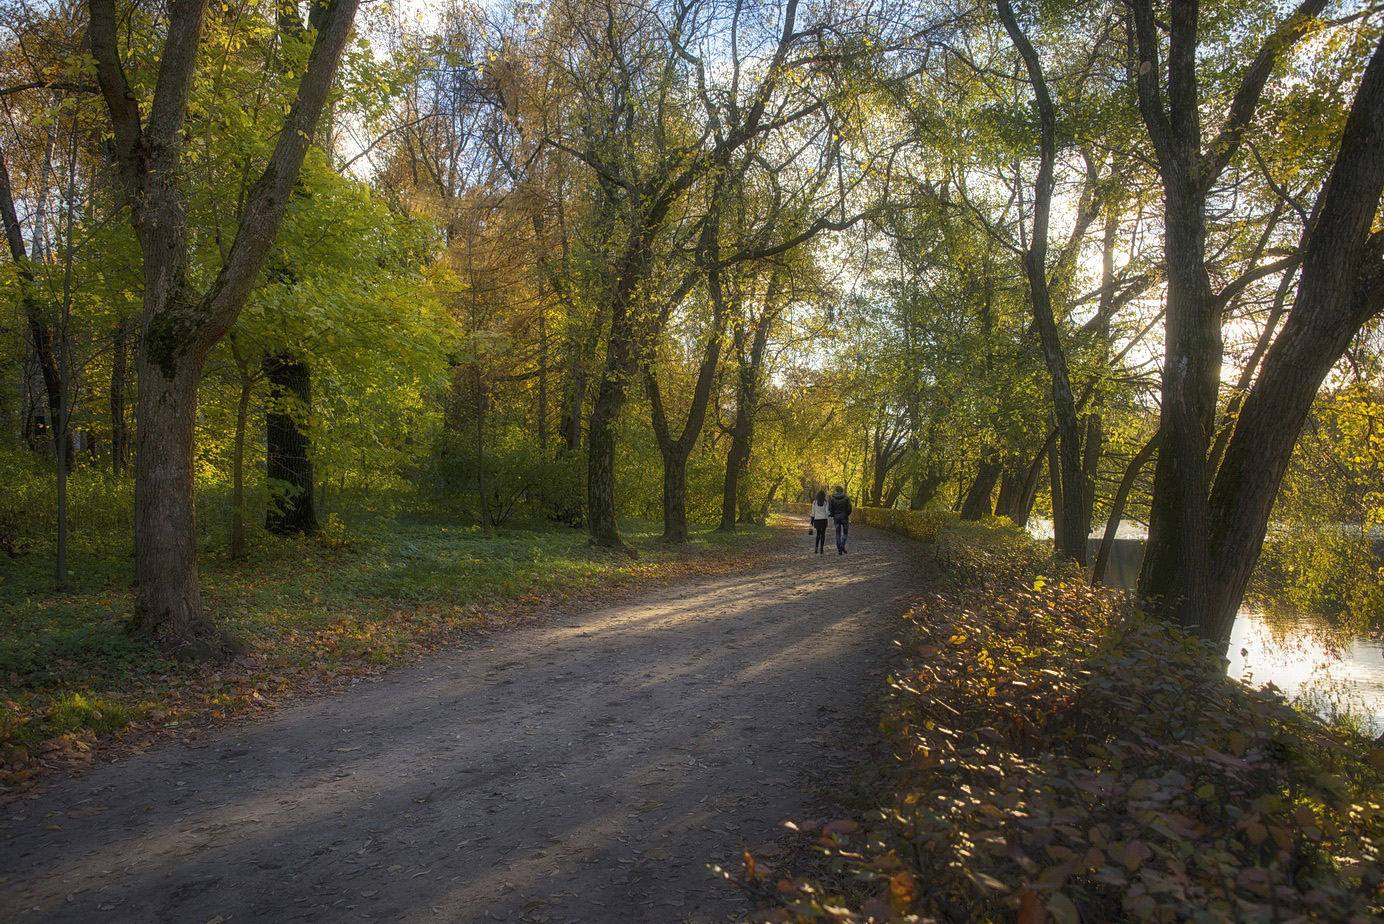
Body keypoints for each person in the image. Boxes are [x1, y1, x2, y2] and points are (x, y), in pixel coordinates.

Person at [827, 485, 852, 554]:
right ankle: (842, 545)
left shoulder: (832, 498)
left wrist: (832, 514)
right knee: (845, 532)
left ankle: (839, 548)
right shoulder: (846, 498)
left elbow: (830, 508)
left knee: (837, 532)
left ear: (836, 491)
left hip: (836, 517)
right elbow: (849, 508)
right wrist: (847, 514)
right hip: (844, 517)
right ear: (842, 490)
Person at [809, 489, 830, 554]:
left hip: (817, 519)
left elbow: (813, 513)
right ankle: (821, 549)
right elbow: (827, 512)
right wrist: (830, 513)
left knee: (818, 534)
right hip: (824, 519)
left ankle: (816, 548)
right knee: (823, 534)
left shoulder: (815, 502)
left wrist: (811, 522)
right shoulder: (826, 503)